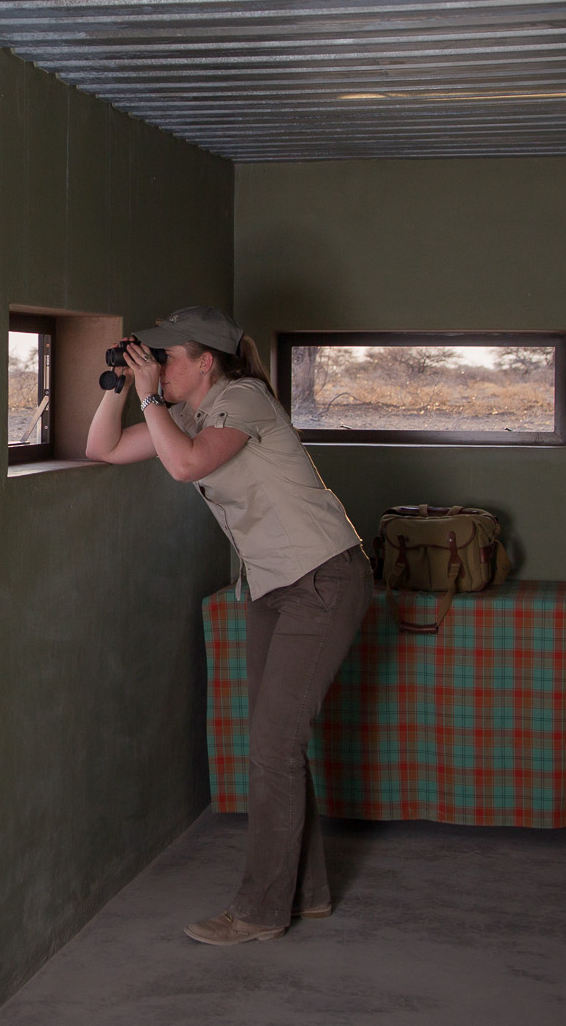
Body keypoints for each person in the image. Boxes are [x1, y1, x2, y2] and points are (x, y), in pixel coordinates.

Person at [86, 305, 369, 946]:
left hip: (322, 580)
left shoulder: (243, 399)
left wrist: (150, 395)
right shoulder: (187, 413)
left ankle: (261, 911)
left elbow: (186, 465)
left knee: (272, 748)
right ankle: (309, 891)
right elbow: (100, 449)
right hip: (276, 586)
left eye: (169, 355)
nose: (157, 365)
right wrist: (116, 388)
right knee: (274, 747)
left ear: (205, 361)